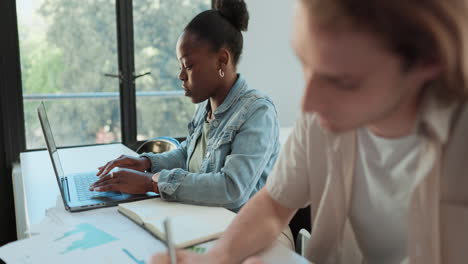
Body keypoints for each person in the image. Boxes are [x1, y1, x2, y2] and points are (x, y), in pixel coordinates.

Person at [151, 0, 468, 263]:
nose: (309, 103)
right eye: (304, 61)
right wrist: (214, 259)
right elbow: (274, 206)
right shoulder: (323, 118)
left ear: (426, 65)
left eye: (342, 80)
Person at [90, 0, 281, 214]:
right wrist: (145, 164)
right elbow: (186, 156)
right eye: (180, 66)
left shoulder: (258, 112)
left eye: (188, 66)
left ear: (221, 60)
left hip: (250, 231)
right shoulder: (206, 106)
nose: (181, 76)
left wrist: (150, 183)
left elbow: (232, 190)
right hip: (204, 222)